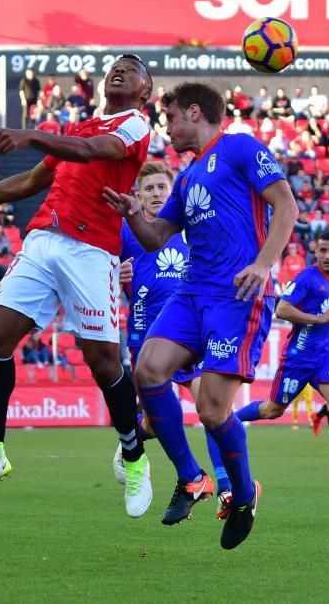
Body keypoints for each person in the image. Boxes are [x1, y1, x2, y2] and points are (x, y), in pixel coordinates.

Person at [0, 55, 154, 516]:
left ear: (145, 90)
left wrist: (31, 133)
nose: (119, 70)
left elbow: (94, 152)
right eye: (114, 66)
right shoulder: (77, 129)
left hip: (91, 250)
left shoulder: (136, 125)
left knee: (102, 362)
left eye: (132, 68)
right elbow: (32, 180)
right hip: (43, 240)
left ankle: (135, 458)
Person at [103, 82, 297, 549]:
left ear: (194, 112)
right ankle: (192, 477)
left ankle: (244, 493)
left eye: (169, 118)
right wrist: (133, 213)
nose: (166, 127)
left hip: (236, 296)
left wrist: (264, 263)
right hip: (192, 293)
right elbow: (155, 237)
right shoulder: (187, 177)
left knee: (212, 410)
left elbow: (286, 205)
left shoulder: (239, 149)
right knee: (147, 371)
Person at [111, 160, 232, 518]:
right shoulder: (127, 230)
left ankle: (223, 484)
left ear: (173, 190)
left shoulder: (189, 228)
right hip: (147, 337)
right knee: (155, 420)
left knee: (212, 407)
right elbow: (102, 266)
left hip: (190, 334)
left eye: (161, 187)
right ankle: (133, 437)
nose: (155, 194)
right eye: (148, 189)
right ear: (139, 195)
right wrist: (116, 273)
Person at [235, 232, 329, 489]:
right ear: (315, 252)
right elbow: (282, 308)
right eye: (324, 251)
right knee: (273, 410)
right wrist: (318, 320)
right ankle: (229, 421)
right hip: (297, 359)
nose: (328, 256)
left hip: (325, 357)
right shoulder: (307, 278)